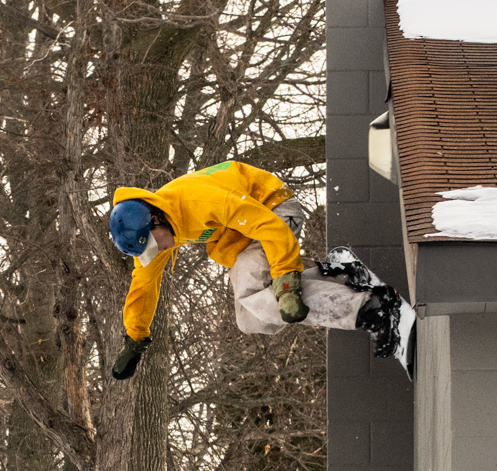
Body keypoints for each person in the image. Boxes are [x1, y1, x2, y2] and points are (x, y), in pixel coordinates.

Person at [106, 161, 415, 381]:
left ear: (155, 220)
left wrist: (286, 283)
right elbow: (143, 285)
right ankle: (343, 277)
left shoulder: (198, 200)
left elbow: (268, 227)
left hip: (274, 210)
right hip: (247, 237)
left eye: (153, 244)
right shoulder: (162, 226)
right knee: (252, 318)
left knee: (255, 293)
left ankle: (374, 310)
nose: (157, 251)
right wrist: (134, 339)